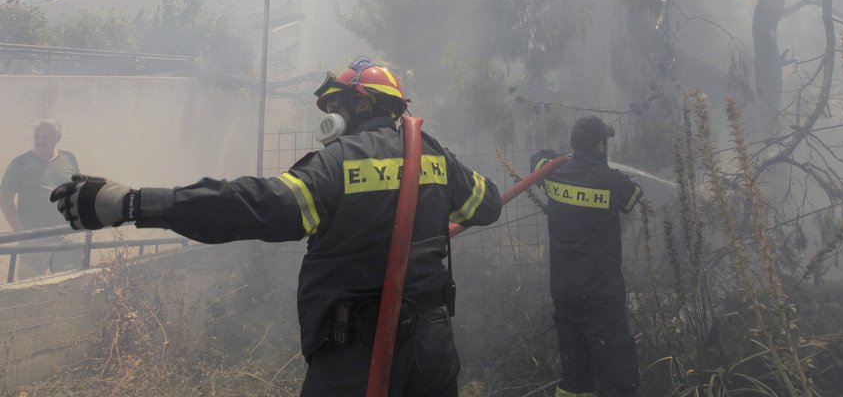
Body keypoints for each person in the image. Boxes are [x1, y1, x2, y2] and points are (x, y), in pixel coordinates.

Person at [51, 56, 502, 396]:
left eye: (338, 103)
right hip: (433, 351)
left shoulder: (337, 162)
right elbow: (486, 206)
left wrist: (132, 203)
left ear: (362, 103)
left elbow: (254, 206)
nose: (332, 114)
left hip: (358, 358)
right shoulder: (434, 154)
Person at [531, 116, 644, 397]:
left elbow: (538, 157)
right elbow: (634, 195)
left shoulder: (553, 174)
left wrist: (564, 160)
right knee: (617, 378)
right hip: (602, 297)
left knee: (575, 378)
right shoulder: (610, 181)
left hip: (565, 294)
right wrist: (602, 168)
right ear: (601, 145)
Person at [0, 119, 82, 279]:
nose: (40, 141)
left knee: (68, 285)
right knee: (28, 289)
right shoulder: (20, 163)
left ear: (57, 138)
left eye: (46, 137)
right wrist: (21, 232)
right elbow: (4, 198)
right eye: (38, 136)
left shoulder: (69, 158)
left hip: (65, 236)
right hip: (34, 239)